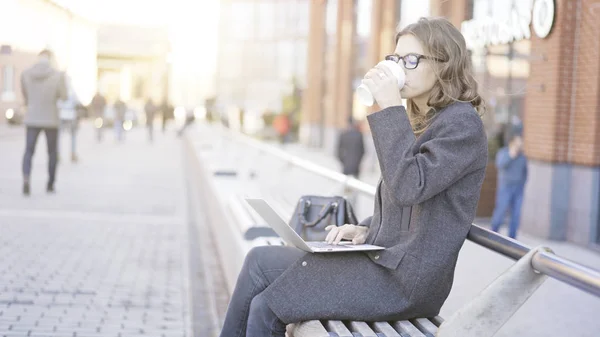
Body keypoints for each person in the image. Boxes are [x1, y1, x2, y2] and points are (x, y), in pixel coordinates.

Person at [219, 17, 488, 337]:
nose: (401, 67)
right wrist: (364, 229)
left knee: (268, 304)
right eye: (397, 59)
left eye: (412, 60)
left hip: (406, 285)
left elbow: (408, 186)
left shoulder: (462, 125)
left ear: (445, 64)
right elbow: (410, 203)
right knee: (258, 259)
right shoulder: (424, 120)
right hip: (384, 263)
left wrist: (389, 106)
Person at [21, 49, 67, 196]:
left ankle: (26, 178)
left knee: (29, 151)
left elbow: (25, 95)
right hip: (51, 119)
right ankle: (50, 184)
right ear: (51, 58)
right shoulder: (58, 75)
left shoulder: (26, 74)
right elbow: (64, 96)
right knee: (52, 153)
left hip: (32, 117)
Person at [490, 130, 528, 239]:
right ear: (512, 143)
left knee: (516, 214)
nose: (519, 146)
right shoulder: (503, 153)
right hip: (505, 188)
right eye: (517, 143)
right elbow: (500, 165)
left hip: (518, 189)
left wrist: (522, 184)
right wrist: (511, 156)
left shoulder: (522, 157)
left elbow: (525, 173)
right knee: (500, 211)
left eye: (521, 144)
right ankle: (493, 234)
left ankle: (512, 238)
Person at [58, 75, 80, 163]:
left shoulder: (60, 89)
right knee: (73, 136)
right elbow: (77, 101)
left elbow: (57, 103)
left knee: (59, 136)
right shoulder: (72, 90)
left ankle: (58, 154)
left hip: (61, 115)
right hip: (71, 115)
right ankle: (73, 154)